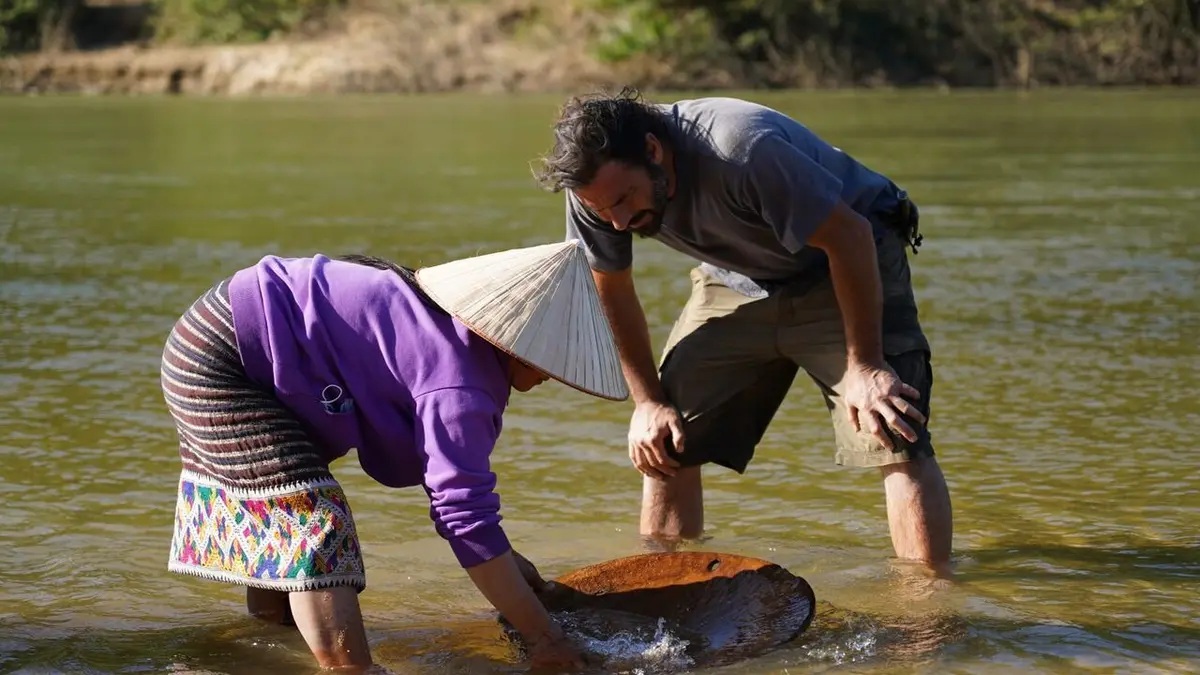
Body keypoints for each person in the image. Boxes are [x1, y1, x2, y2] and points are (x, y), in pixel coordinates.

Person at [531, 87, 953, 568]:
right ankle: (664, 590)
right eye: (604, 211)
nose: (620, 221)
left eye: (626, 199)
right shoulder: (595, 193)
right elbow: (610, 286)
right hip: (738, 278)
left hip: (843, 262)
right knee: (666, 437)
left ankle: (928, 613)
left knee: (890, 424)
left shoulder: (739, 149)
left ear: (653, 150)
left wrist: (867, 365)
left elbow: (849, 235)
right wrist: (647, 401)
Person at [159, 241, 627, 672]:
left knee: (285, 515)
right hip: (222, 356)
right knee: (313, 520)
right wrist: (545, 639)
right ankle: (352, 669)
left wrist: (510, 566)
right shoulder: (460, 380)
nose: (553, 374)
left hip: (232, 330)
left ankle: (269, 648)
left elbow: (450, 481)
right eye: (551, 357)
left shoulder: (451, 332)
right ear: (512, 340)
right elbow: (463, 516)